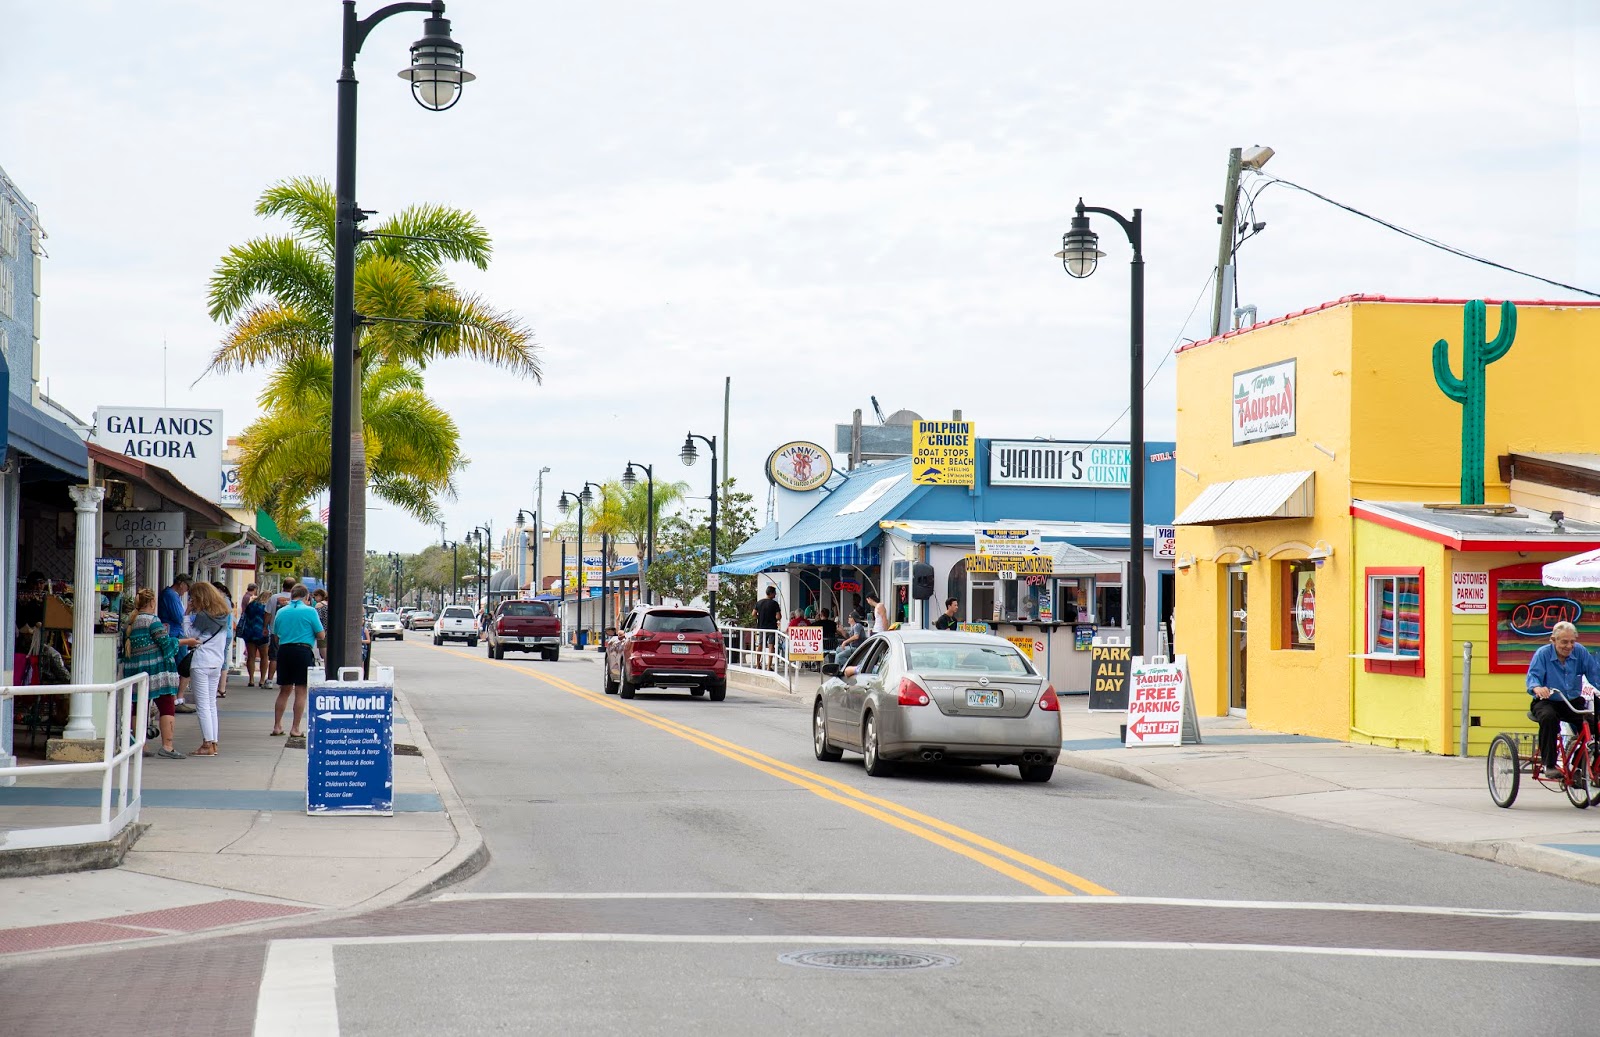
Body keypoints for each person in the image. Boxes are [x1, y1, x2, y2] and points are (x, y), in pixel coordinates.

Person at [1525, 621, 1600, 774]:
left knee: (1593, 725)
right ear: (1553, 640)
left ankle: (1580, 766)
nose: (1569, 646)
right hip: (1547, 701)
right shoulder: (1543, 654)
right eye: (1564, 642)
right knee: (1549, 718)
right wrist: (1538, 688)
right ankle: (1549, 764)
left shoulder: (1580, 652)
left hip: (1571, 702)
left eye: (1572, 641)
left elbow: (1594, 676)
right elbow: (1533, 678)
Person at [121, 588, 186, 759]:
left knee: (138, 706)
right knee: (167, 705)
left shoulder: (130, 622)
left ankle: (140, 745)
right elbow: (166, 645)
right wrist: (186, 641)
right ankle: (168, 746)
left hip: (136, 670)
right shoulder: (153, 621)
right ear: (152, 603)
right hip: (156, 670)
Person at [270, 584, 325, 739]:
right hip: (303, 651)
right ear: (306, 596)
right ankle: (295, 728)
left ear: (291, 595)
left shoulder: (281, 611)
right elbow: (321, 635)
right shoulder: (310, 611)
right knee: (301, 691)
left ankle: (277, 725)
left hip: (285, 651)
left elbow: (276, 635)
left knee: (284, 690)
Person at [184, 581, 232, 757]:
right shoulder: (223, 614)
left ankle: (207, 744)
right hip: (217, 662)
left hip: (202, 662)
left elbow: (190, 635)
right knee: (211, 704)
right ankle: (213, 742)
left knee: (202, 706)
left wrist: (186, 614)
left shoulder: (203, 616)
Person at [160, 574, 195, 712]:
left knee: (179, 667)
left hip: (175, 633)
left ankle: (177, 699)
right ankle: (177, 699)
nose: (186, 590)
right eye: (186, 586)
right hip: (175, 634)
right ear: (181, 584)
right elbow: (179, 617)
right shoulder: (171, 595)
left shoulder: (172, 595)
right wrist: (192, 615)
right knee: (182, 666)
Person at [238, 588, 270, 686]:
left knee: (251, 657)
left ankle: (251, 679)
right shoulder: (266, 607)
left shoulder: (251, 605)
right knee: (264, 656)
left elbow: (245, 616)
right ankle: (261, 680)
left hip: (249, 632)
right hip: (262, 632)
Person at [753, 586, 783, 669]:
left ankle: (758, 664)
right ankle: (769, 666)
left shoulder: (759, 603)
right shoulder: (774, 604)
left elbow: (753, 614)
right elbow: (778, 616)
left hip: (762, 627)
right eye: (774, 593)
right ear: (771, 593)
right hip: (772, 628)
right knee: (771, 646)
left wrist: (759, 617)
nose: (775, 594)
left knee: (760, 645)